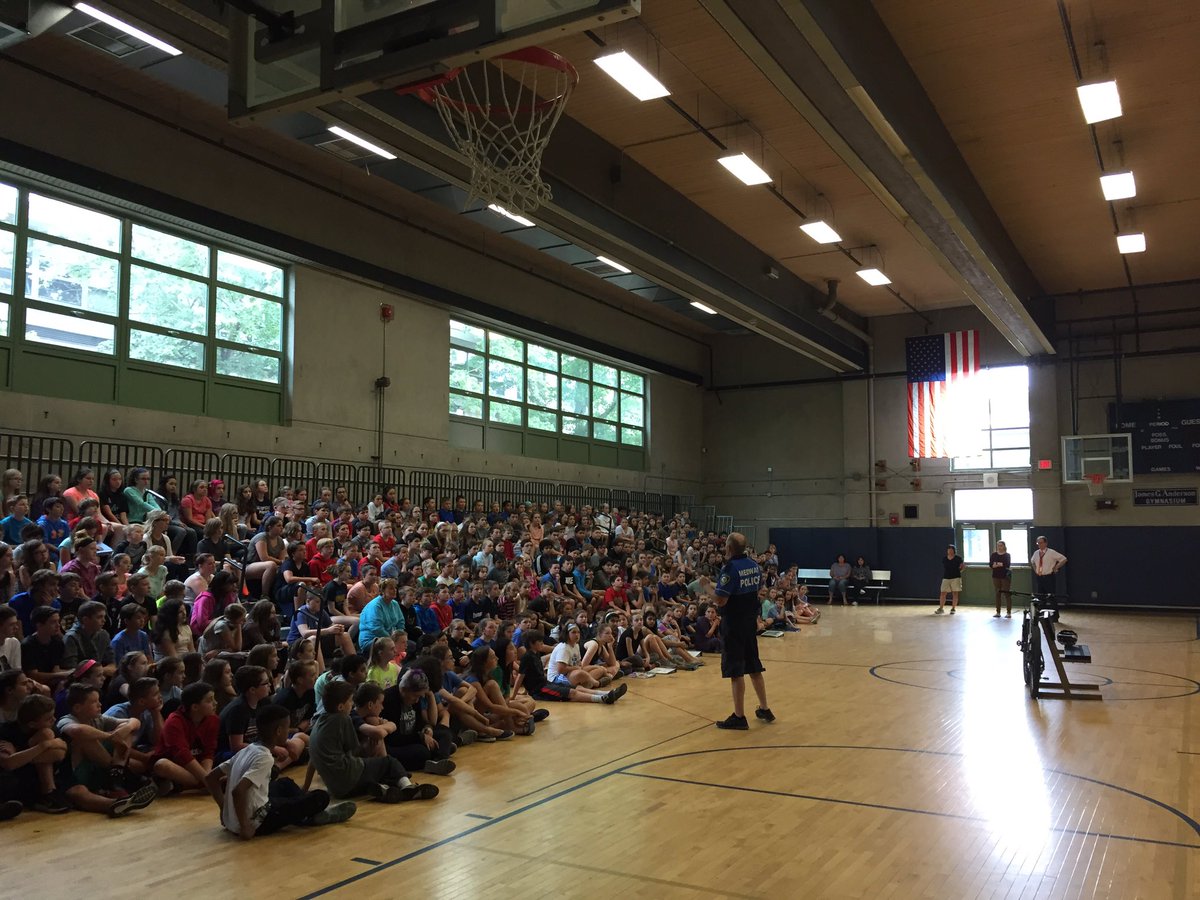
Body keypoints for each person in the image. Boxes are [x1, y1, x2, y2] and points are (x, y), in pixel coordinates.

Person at [204, 703, 355, 839]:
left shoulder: (249, 748)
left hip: (237, 817)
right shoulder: (265, 758)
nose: (288, 732)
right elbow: (238, 791)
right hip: (258, 821)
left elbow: (211, 778)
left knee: (285, 783)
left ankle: (306, 812)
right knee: (320, 797)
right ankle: (311, 817)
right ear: (278, 731)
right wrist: (245, 827)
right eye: (287, 728)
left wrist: (225, 810)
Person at [307, 679, 438, 803]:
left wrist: (305, 788)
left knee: (377, 769)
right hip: (348, 776)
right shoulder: (342, 719)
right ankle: (408, 788)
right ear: (341, 706)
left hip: (336, 789)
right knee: (389, 762)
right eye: (350, 701)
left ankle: (383, 789)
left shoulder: (319, 722)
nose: (352, 704)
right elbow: (355, 752)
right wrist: (369, 748)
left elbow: (312, 759)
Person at [713, 532, 772, 730]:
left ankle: (739, 717)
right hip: (749, 622)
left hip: (734, 623)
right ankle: (764, 707)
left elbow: (721, 599)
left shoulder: (729, 568)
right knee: (754, 666)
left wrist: (706, 588)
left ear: (729, 548)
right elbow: (755, 590)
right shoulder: (754, 565)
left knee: (736, 671)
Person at [1032, 535, 1067, 600]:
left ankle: (1053, 609)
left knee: (1051, 596)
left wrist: (1056, 567)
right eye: (1038, 543)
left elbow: (1063, 559)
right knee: (1040, 596)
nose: (1039, 544)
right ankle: (1041, 609)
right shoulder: (1036, 553)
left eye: (1041, 543)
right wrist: (1036, 571)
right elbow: (1032, 562)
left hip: (1049, 577)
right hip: (1039, 577)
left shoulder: (1051, 552)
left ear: (1045, 543)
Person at [935, 545, 964, 615]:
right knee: (943, 593)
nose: (950, 551)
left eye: (951, 550)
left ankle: (953, 608)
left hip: (956, 577)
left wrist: (961, 569)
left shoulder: (958, 558)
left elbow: (962, 568)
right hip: (946, 577)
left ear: (954, 551)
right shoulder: (944, 559)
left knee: (955, 593)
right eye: (949, 550)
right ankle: (941, 608)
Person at [991, 540, 1013, 618]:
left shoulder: (1007, 555)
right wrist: (999, 564)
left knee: (1007, 593)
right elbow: (991, 564)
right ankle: (998, 612)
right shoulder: (994, 555)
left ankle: (1009, 612)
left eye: (1001, 545)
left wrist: (997, 564)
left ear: (1004, 546)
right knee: (997, 593)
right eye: (998, 545)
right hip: (996, 575)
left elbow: (1007, 564)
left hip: (1005, 576)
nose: (999, 547)